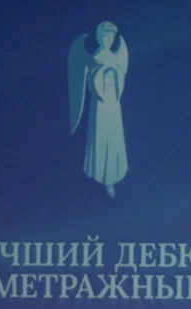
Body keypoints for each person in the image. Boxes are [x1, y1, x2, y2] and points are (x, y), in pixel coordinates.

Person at [68, 21, 129, 197]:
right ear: (99, 38)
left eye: (111, 37)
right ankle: (100, 174)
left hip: (113, 103)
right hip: (101, 105)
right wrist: (102, 71)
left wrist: (114, 72)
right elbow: (92, 82)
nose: (108, 40)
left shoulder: (115, 56)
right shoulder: (95, 57)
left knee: (114, 135)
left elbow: (121, 77)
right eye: (105, 36)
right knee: (101, 135)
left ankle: (113, 175)